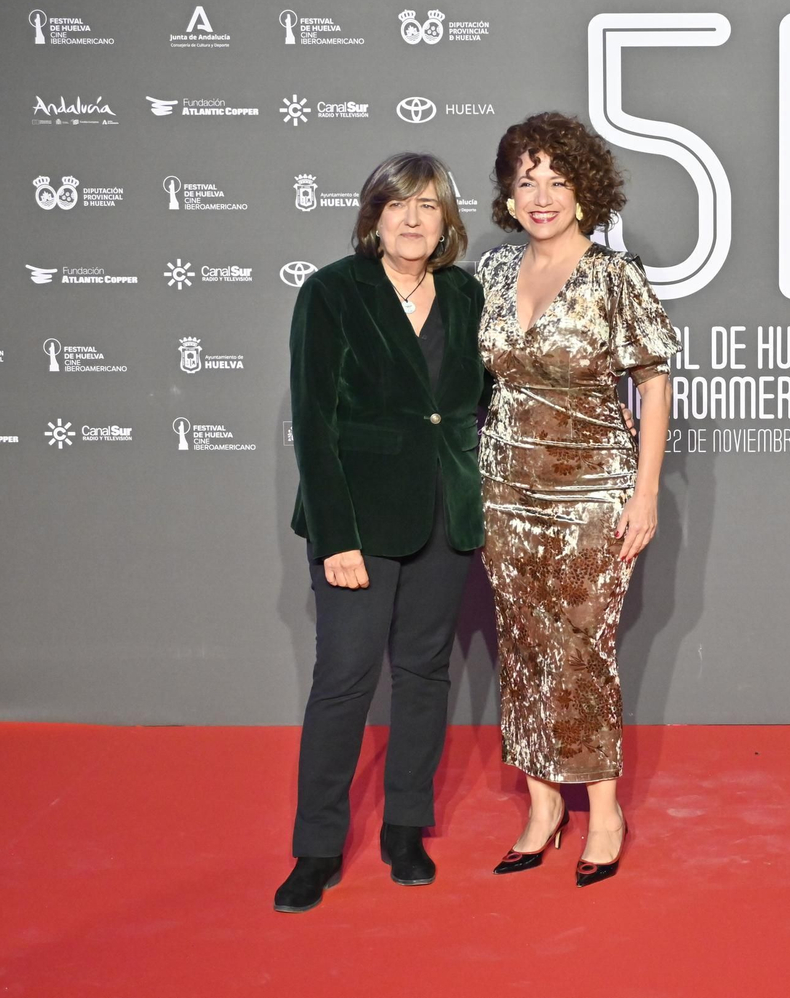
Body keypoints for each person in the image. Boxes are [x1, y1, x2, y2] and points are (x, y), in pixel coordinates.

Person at [276, 153, 486, 913]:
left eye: (428, 206)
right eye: (397, 204)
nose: (412, 219)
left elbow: (481, 401)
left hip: (445, 516)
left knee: (425, 674)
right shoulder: (332, 292)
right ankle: (316, 846)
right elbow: (314, 423)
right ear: (373, 215)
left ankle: (405, 825)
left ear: (446, 221)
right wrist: (336, 538)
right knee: (344, 681)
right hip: (359, 522)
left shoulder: (466, 295)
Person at [476, 112, 679, 887]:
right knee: (523, 647)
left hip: (594, 492)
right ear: (508, 192)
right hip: (503, 491)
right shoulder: (492, 273)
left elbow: (653, 382)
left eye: (557, 181)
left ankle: (604, 807)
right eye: (526, 181)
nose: (541, 196)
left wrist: (645, 491)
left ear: (584, 190)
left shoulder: (611, 277)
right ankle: (541, 805)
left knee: (582, 653)